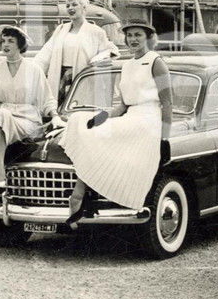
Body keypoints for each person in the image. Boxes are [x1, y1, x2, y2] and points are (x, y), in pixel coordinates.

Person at [59, 18, 171, 224]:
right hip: (131, 117)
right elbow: (122, 106)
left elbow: (168, 103)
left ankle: (79, 195)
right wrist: (98, 118)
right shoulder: (127, 65)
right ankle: (86, 193)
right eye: (129, 35)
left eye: (138, 34)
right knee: (78, 120)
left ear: (148, 36)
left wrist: (164, 139)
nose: (133, 39)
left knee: (101, 136)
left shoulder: (156, 61)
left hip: (148, 121)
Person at [0, 26, 62, 212]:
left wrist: (54, 116)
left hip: (27, 120)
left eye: (10, 41)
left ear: (20, 45)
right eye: (3, 41)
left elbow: (47, 98)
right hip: (1, 119)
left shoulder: (34, 69)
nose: (5, 45)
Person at [34, 0, 118, 105]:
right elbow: (46, 52)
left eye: (74, 4)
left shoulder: (95, 31)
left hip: (82, 78)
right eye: (67, 5)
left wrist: (96, 60)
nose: (70, 8)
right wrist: (32, 68)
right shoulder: (60, 29)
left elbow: (110, 50)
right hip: (60, 77)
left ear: (84, 8)